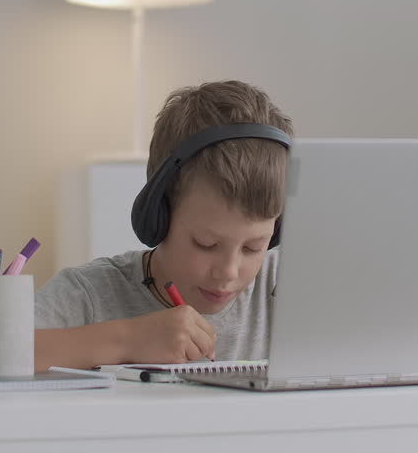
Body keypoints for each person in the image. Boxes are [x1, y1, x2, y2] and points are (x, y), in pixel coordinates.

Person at [32, 79, 293, 370]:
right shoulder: (90, 295)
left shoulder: (288, 285)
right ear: (158, 215)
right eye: (206, 244)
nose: (228, 272)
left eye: (253, 247)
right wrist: (127, 340)